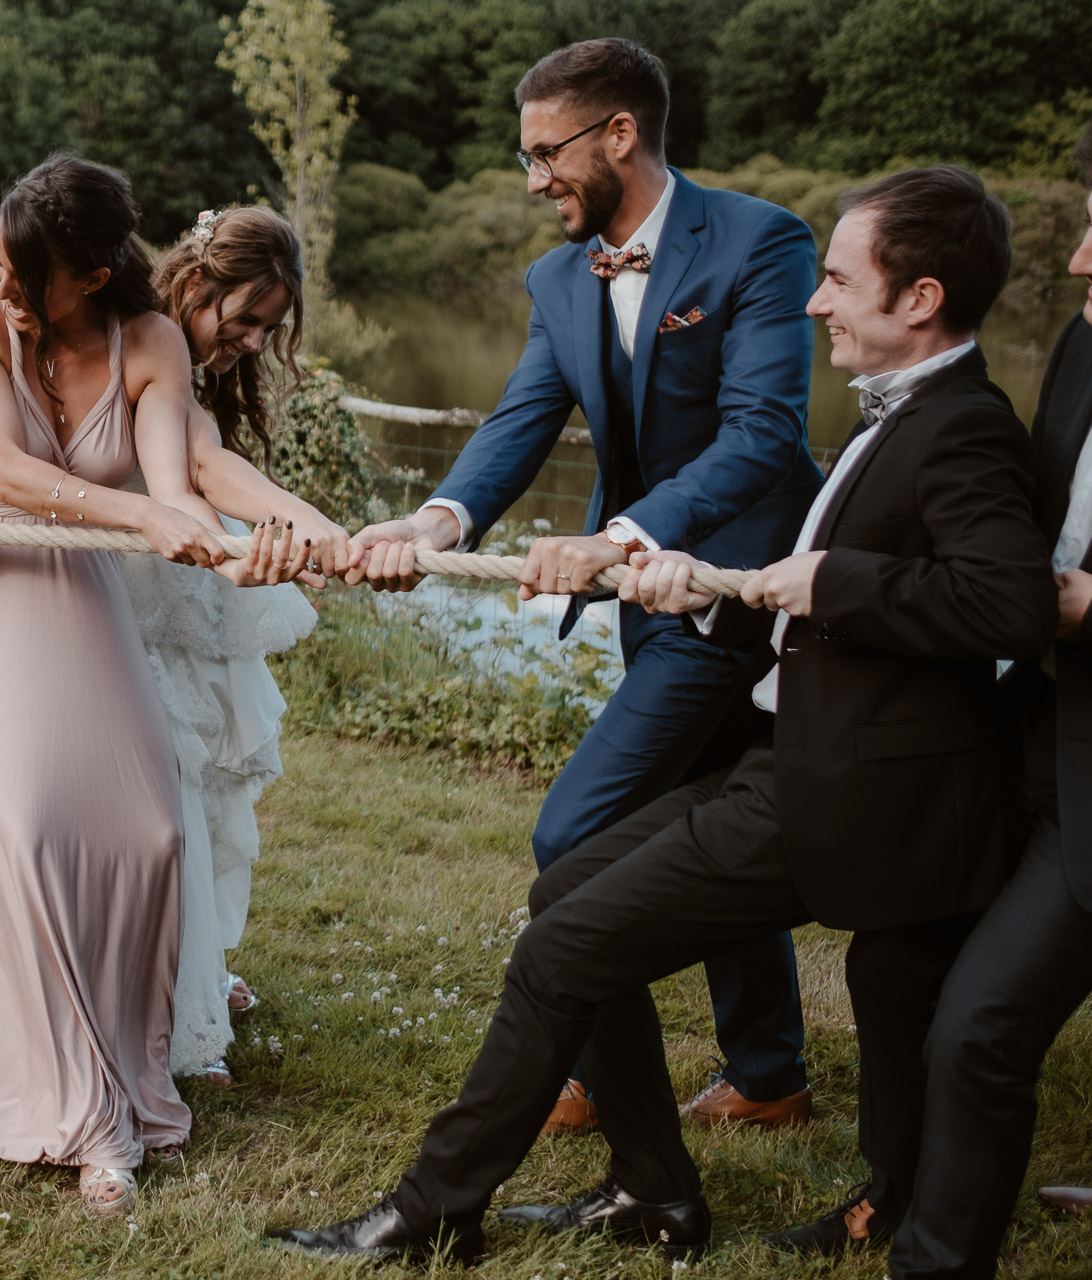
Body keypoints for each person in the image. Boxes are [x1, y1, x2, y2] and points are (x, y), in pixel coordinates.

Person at [269, 166, 1054, 1266]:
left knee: (559, 945)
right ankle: (651, 1187)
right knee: (564, 888)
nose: (815, 302)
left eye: (837, 281)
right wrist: (717, 600)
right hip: (798, 751)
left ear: (915, 298)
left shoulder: (961, 426)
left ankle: (433, 1207)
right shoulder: (896, 417)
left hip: (851, 790)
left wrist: (825, 580)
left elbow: (1005, 602)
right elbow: (832, 613)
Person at [345, 36, 819, 1134]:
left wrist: (619, 537)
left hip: (730, 596)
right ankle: (767, 1074)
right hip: (637, 609)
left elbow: (761, 435)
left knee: (574, 837)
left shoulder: (757, 239)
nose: (530, 180)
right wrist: (432, 521)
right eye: (522, 158)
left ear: (619, 134)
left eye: (544, 152)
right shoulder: (556, 277)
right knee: (715, 834)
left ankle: (607, 1078)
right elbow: (516, 425)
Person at [0, 153, 238, 1218]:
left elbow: (171, 479)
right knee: (18, 821)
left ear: (89, 276)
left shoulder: (149, 340)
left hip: (85, 596)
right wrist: (147, 518)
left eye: (23, 272)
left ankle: (117, 1058)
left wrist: (211, 531)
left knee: (151, 829)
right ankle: (77, 1107)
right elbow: (3, 470)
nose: (0, 284)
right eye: (0, 261)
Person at [885, 114, 1092, 1280]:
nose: (1081, 259)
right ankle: (888, 1197)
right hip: (1019, 733)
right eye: (1090, 226)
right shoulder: (1086, 343)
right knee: (901, 953)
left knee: (980, 1023)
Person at [139, 204, 344, 1083]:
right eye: (246, 320)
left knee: (217, 795)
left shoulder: (191, 363)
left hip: (195, 576)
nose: (256, 343)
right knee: (171, 791)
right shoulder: (142, 342)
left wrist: (318, 532)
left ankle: (201, 969)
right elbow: (203, 470)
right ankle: (165, 992)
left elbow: (217, 466)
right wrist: (314, 524)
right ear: (195, 284)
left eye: (269, 328)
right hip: (138, 587)